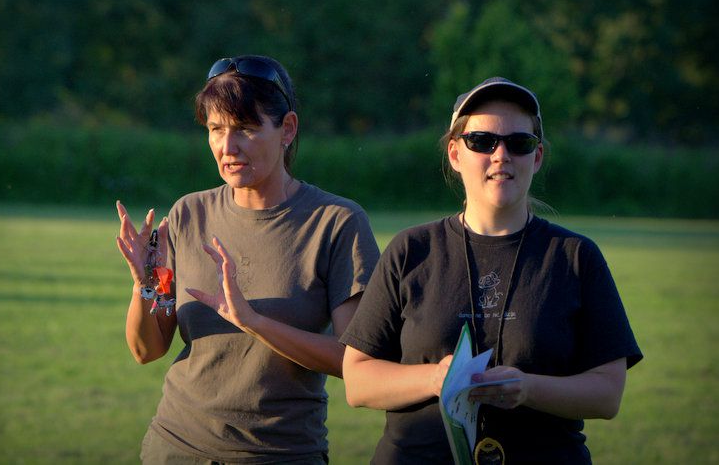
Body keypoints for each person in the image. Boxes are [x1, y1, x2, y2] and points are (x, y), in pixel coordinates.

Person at [340, 77, 642, 464]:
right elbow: (358, 381)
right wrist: (435, 380)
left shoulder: (574, 256)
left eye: (519, 143)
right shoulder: (411, 250)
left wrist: (527, 388)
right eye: (482, 141)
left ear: (537, 157)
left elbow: (607, 393)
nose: (501, 155)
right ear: (454, 153)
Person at [116, 55, 380, 464]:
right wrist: (143, 284)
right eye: (216, 129)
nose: (227, 146)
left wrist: (253, 322)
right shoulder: (189, 214)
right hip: (175, 447)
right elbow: (147, 350)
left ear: (287, 129)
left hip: (279, 454)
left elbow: (357, 362)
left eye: (245, 129)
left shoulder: (337, 223)